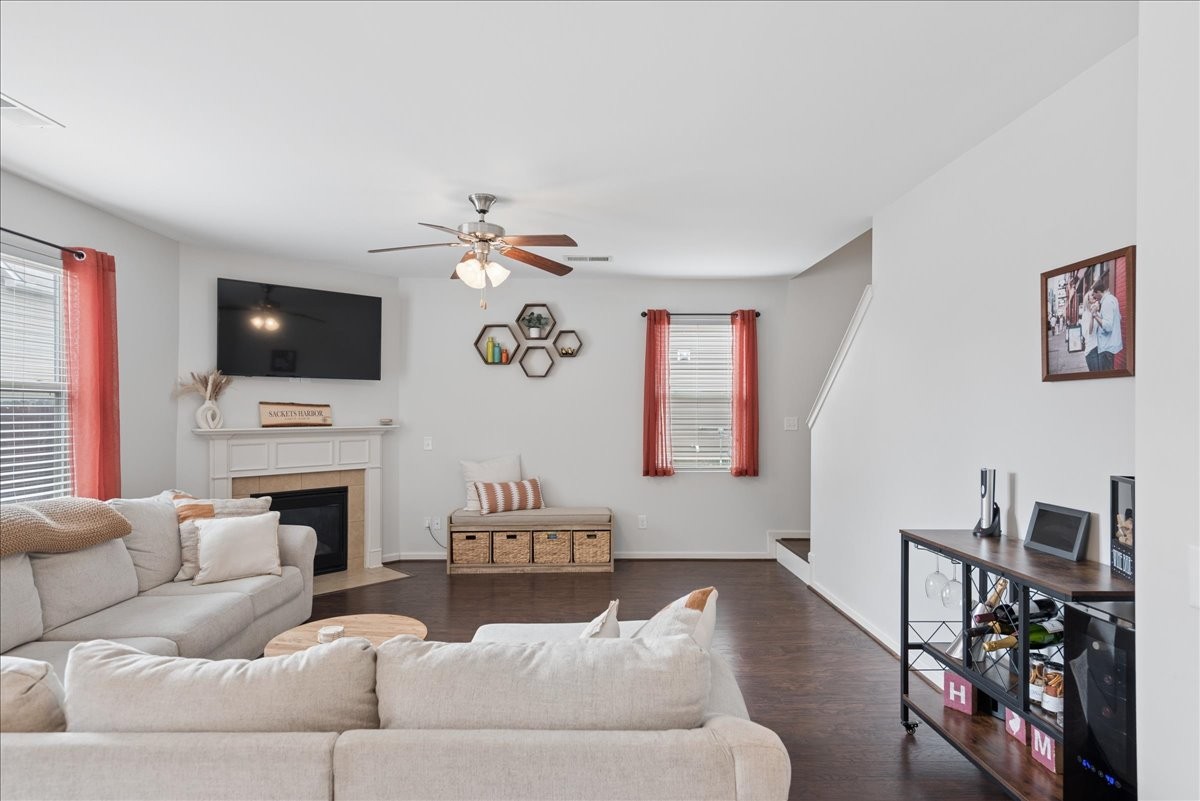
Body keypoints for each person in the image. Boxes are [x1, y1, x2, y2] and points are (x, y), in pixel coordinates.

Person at [1093, 276, 1123, 370]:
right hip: (1109, 346)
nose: (1094, 297)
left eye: (1094, 294)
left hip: (1106, 348)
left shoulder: (1106, 302)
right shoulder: (1112, 299)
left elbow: (1108, 326)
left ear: (1098, 292)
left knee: (1105, 379)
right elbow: (1119, 318)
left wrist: (1095, 315)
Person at [1080, 286, 1100, 371]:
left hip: (1099, 348)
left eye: (1094, 294)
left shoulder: (1097, 312)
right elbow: (1089, 332)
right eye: (1092, 295)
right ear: (1088, 300)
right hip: (1091, 350)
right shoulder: (1085, 314)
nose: (1094, 296)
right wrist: (1092, 315)